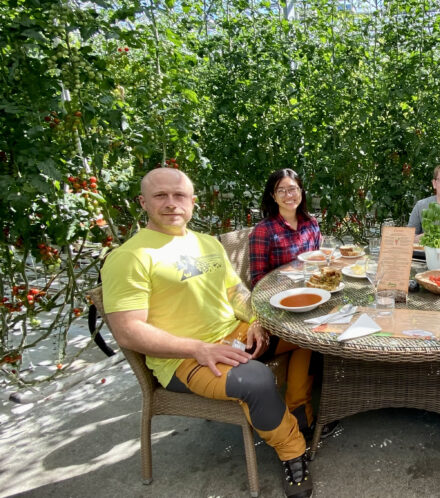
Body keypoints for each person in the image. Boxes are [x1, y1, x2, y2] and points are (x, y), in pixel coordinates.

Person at [101, 168, 313, 498]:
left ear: (192, 202)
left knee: (308, 332)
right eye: (161, 196)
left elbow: (235, 293)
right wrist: (199, 349)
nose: (172, 203)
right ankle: (293, 451)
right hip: (185, 360)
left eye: (179, 195)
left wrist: (257, 319)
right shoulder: (130, 257)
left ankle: (299, 411)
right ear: (143, 202)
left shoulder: (207, 243)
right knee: (256, 381)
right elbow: (128, 332)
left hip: (238, 334)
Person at [248, 168, 338, 439]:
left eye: (294, 189)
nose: (289, 195)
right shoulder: (264, 231)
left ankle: (309, 409)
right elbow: (258, 282)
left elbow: (319, 265)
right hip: (279, 310)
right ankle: (300, 416)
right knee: (308, 338)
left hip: (311, 299)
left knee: (338, 320)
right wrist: (288, 280)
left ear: (301, 192)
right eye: (282, 190)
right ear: (273, 196)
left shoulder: (311, 223)